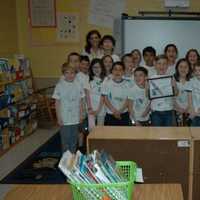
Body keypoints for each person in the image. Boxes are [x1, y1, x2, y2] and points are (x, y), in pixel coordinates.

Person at [52, 63, 84, 153]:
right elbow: (57, 103)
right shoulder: (59, 85)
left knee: (74, 139)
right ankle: (65, 160)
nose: (70, 75)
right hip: (64, 117)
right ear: (63, 74)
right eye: (67, 73)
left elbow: (81, 102)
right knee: (65, 140)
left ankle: (72, 157)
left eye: (72, 73)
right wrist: (58, 117)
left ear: (75, 74)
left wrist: (81, 115)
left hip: (75, 117)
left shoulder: (78, 85)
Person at [148, 55, 178, 127]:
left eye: (164, 64)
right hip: (156, 111)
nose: (162, 66)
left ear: (167, 65)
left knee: (168, 134)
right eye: (159, 63)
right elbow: (148, 96)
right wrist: (147, 88)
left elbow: (176, 93)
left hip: (169, 111)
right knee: (156, 134)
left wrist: (174, 86)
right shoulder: (151, 79)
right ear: (155, 64)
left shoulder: (171, 77)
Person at [102, 62, 131, 126]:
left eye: (120, 70)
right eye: (115, 69)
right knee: (110, 135)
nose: (117, 72)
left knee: (124, 134)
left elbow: (128, 99)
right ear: (112, 71)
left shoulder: (128, 84)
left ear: (123, 72)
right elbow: (105, 99)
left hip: (123, 113)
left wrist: (120, 111)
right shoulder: (106, 83)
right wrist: (114, 111)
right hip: (110, 113)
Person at [174, 58, 192, 126]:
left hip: (189, 111)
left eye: (185, 67)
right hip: (176, 110)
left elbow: (194, 98)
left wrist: (188, 108)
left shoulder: (192, 81)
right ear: (177, 68)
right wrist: (178, 108)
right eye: (181, 67)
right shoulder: (173, 81)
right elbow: (171, 98)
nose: (183, 69)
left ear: (189, 69)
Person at [89, 59, 106, 125]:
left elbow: (103, 96)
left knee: (100, 129)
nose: (96, 69)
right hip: (90, 109)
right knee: (91, 129)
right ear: (91, 68)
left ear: (102, 68)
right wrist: (90, 108)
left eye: (98, 67)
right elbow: (87, 96)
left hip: (101, 109)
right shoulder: (88, 80)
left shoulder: (105, 80)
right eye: (94, 67)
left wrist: (98, 110)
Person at [189, 61, 200, 126]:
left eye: (199, 70)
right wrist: (192, 110)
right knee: (194, 133)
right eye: (195, 70)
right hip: (195, 113)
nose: (197, 72)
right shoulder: (191, 81)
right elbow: (190, 98)